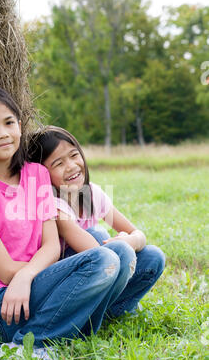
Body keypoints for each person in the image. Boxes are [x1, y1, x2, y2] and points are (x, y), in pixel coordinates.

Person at [0, 87, 136, 356]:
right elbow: (4, 271)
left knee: (119, 251)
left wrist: (30, 275)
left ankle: (69, 332)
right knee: (102, 259)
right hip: (1, 302)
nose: (3, 133)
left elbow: (51, 246)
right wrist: (38, 277)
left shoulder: (35, 174)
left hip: (33, 282)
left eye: (9, 123)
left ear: (19, 126)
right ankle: (27, 345)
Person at [28, 126, 165, 319]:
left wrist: (130, 241)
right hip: (71, 284)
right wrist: (122, 246)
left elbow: (138, 234)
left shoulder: (91, 193)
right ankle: (84, 314)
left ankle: (112, 310)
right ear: (43, 174)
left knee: (153, 256)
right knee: (98, 234)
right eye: (58, 163)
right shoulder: (54, 206)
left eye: (74, 155)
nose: (71, 166)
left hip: (102, 271)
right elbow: (100, 254)